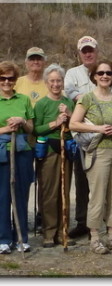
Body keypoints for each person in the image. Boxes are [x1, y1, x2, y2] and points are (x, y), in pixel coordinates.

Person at [64, 36, 112, 238]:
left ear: (97, 51)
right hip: (86, 142)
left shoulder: (111, 78)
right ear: (79, 53)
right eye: (84, 51)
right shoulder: (72, 74)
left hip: (111, 143)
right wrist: (97, 125)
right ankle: (85, 225)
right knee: (84, 186)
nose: (88, 53)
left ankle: (110, 226)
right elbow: (73, 95)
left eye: (91, 50)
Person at [34, 64, 75, 248]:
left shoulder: (68, 102)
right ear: (46, 82)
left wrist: (69, 115)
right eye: (52, 81)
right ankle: (49, 232)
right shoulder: (42, 103)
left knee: (64, 192)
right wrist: (55, 123)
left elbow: (75, 125)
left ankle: (63, 230)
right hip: (49, 150)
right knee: (49, 192)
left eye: (59, 80)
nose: (56, 84)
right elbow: (36, 129)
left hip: (65, 148)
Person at [0, 61, 34, 254]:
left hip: (22, 151)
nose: (6, 82)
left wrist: (22, 121)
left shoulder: (23, 99)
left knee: (21, 195)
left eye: (10, 78)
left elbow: (31, 128)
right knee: (2, 195)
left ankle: (21, 238)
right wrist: (5, 129)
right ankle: (3, 239)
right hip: (1, 152)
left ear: (15, 80)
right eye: (2, 78)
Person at [14, 46, 49, 230]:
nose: (36, 62)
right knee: (23, 179)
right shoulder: (17, 82)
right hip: (23, 140)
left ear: (44, 62)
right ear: (26, 62)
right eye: (32, 59)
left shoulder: (49, 82)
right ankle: (19, 217)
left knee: (44, 180)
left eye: (39, 59)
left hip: (44, 138)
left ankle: (42, 215)